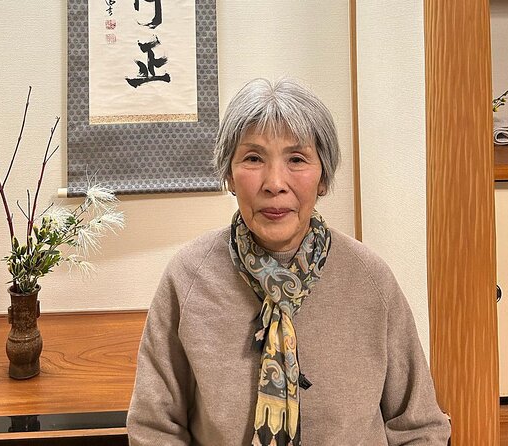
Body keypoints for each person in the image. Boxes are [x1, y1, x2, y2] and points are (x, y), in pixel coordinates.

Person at [127, 78, 451, 445]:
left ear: (323, 178)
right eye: (253, 159)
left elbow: (419, 426)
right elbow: (154, 427)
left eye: (296, 159)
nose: (275, 182)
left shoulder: (370, 279)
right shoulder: (187, 278)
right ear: (229, 176)